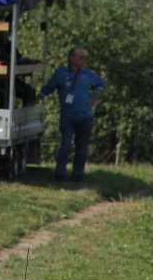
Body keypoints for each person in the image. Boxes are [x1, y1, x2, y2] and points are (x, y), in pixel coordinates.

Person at [38, 46, 106, 180]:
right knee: (66, 145)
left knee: (82, 148)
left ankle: (77, 175)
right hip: (68, 116)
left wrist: (95, 97)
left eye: (84, 57)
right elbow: (48, 88)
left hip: (85, 116)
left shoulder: (87, 73)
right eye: (81, 57)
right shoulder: (61, 73)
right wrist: (36, 98)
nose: (84, 60)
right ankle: (60, 174)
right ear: (72, 58)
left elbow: (100, 84)